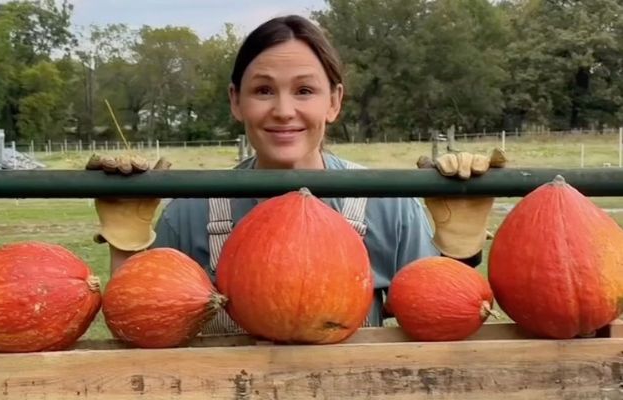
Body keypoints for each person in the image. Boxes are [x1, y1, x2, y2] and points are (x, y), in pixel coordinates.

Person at [86, 14, 506, 335]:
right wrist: (128, 243)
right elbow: (140, 322)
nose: (284, 111)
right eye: (263, 90)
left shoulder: (387, 204)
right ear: (236, 101)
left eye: (304, 90)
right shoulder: (192, 213)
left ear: (334, 101)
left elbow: (446, 316)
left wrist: (459, 249)